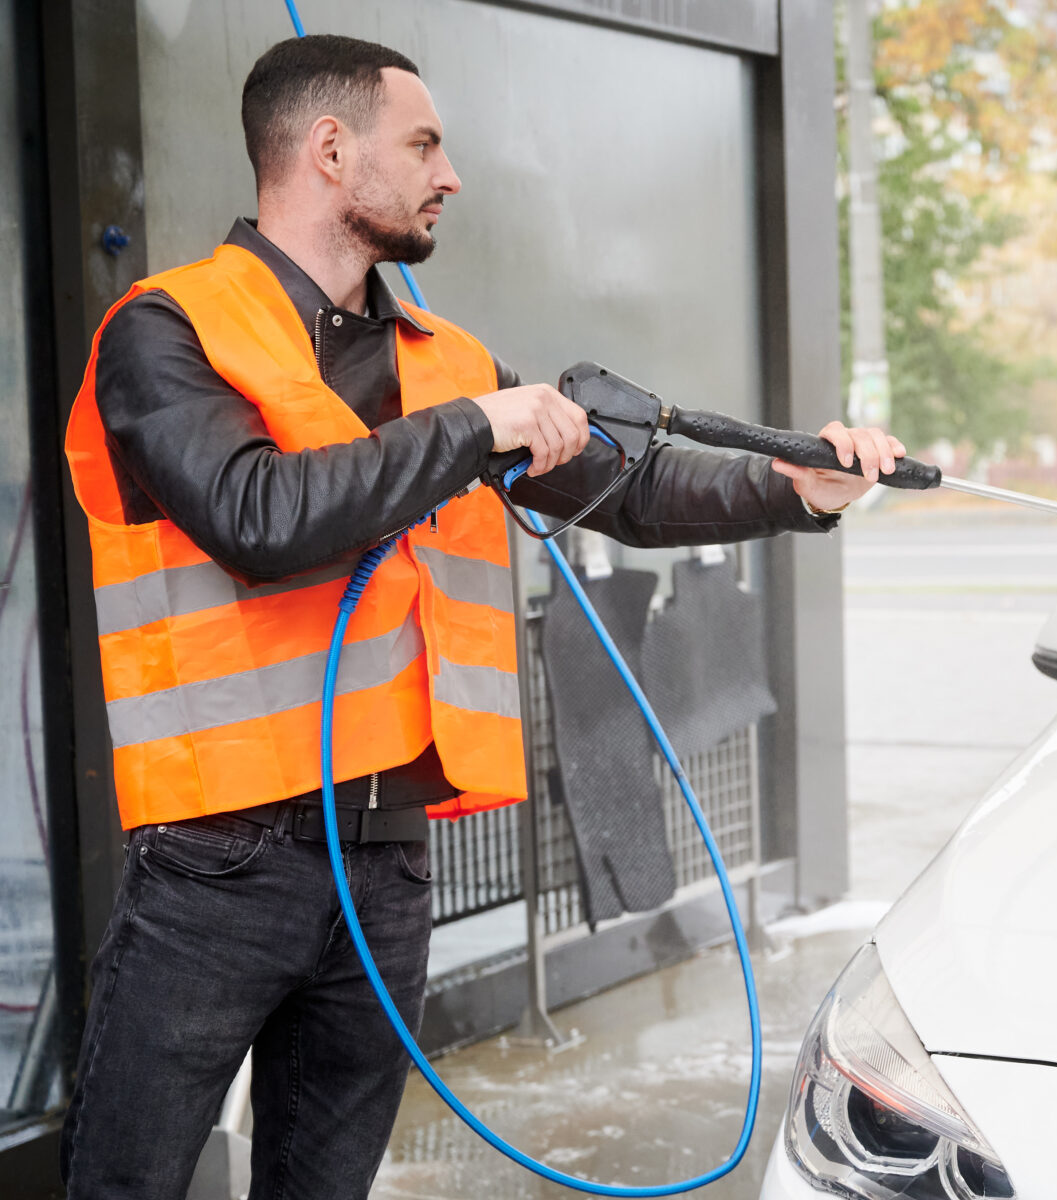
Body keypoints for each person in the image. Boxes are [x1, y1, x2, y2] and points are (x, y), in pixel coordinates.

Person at [59, 34, 900, 1199]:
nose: (449, 174)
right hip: (218, 866)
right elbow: (257, 515)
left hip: (389, 865)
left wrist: (793, 488)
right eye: (424, 145)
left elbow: (630, 489)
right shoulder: (168, 333)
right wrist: (475, 430)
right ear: (330, 149)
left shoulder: (446, 362)